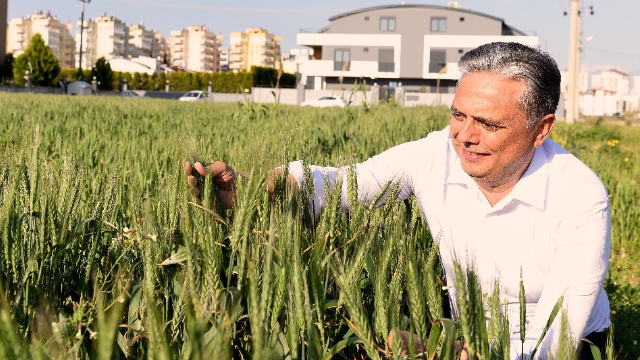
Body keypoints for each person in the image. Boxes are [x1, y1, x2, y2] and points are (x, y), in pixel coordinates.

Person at [184, 42, 610, 360]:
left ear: (541, 129)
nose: (464, 136)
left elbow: (556, 337)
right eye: (458, 115)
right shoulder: (434, 153)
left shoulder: (580, 197)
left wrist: (458, 353)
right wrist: (253, 192)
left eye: (488, 123)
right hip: (463, 329)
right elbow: (342, 187)